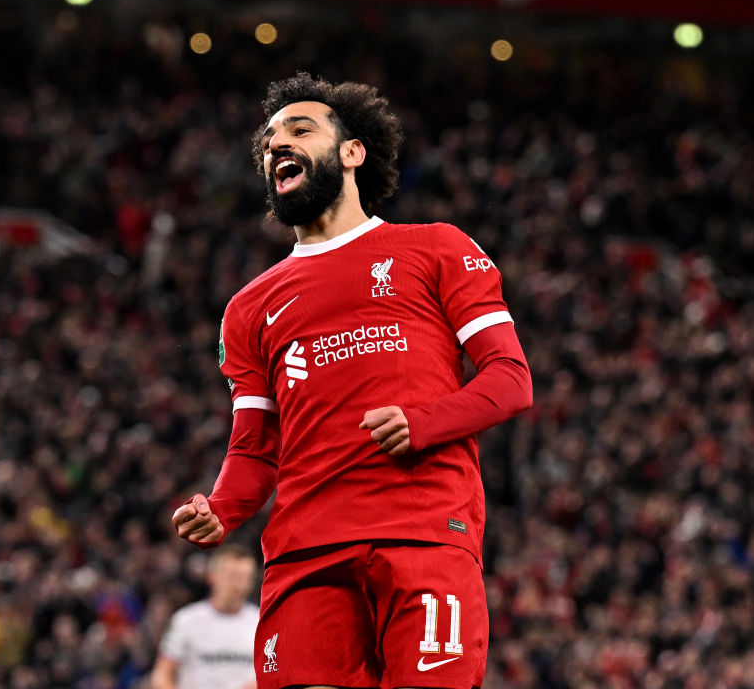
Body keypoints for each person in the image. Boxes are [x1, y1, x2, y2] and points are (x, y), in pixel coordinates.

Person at [172, 72, 532, 689]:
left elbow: (510, 379)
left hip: (421, 535)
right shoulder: (248, 308)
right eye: (268, 139)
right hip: (305, 554)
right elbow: (255, 446)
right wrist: (222, 509)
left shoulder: (436, 249)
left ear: (352, 152)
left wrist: (421, 423)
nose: (276, 144)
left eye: (299, 129)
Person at [151, 543, 260, 689]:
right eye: (232, 576)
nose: (238, 584)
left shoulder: (262, 623)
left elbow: (275, 673)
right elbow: (163, 674)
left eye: (245, 577)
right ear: (212, 576)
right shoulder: (185, 621)